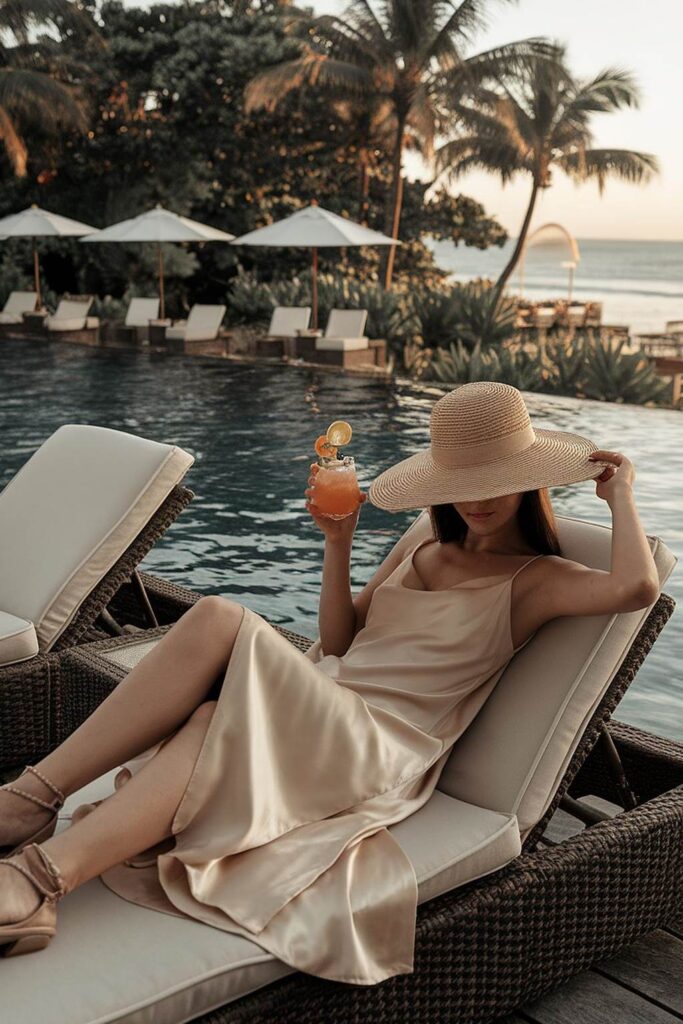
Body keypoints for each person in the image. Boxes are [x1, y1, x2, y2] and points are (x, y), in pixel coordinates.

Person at [0, 381, 660, 982]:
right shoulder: (424, 545)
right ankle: (40, 860)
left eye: (495, 479)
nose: (478, 498)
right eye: (462, 479)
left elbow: (634, 587)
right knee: (207, 715)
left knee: (218, 617)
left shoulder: (537, 580)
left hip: (380, 744)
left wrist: (620, 494)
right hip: (328, 703)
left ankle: (32, 834)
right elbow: (342, 642)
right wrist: (337, 543)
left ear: (527, 480)